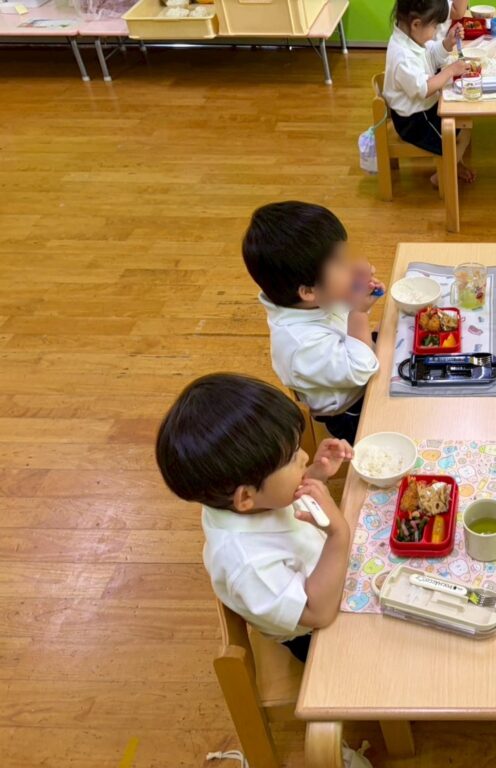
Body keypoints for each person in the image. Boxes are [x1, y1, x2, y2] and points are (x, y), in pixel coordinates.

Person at [155, 373, 354, 662]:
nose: (304, 456)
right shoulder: (247, 564)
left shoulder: (243, 501)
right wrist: (339, 535)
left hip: (329, 570)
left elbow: (277, 496)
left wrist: (314, 474)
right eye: (292, 457)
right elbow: (318, 613)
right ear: (246, 496)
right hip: (314, 631)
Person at [242, 201, 381, 443]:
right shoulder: (300, 344)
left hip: (355, 361)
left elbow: (343, 317)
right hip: (350, 412)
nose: (350, 266)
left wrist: (353, 290)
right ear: (308, 291)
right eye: (340, 263)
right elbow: (362, 368)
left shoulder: (311, 299)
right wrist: (358, 311)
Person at [385, 0, 474, 186]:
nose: (435, 32)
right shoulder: (402, 56)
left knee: (466, 125)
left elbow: (431, 55)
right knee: (454, 139)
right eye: (434, 26)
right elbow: (423, 89)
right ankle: (443, 175)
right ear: (416, 24)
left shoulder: (412, 39)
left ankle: (453, 164)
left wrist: (447, 43)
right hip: (414, 120)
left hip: (424, 108)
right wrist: (450, 71)